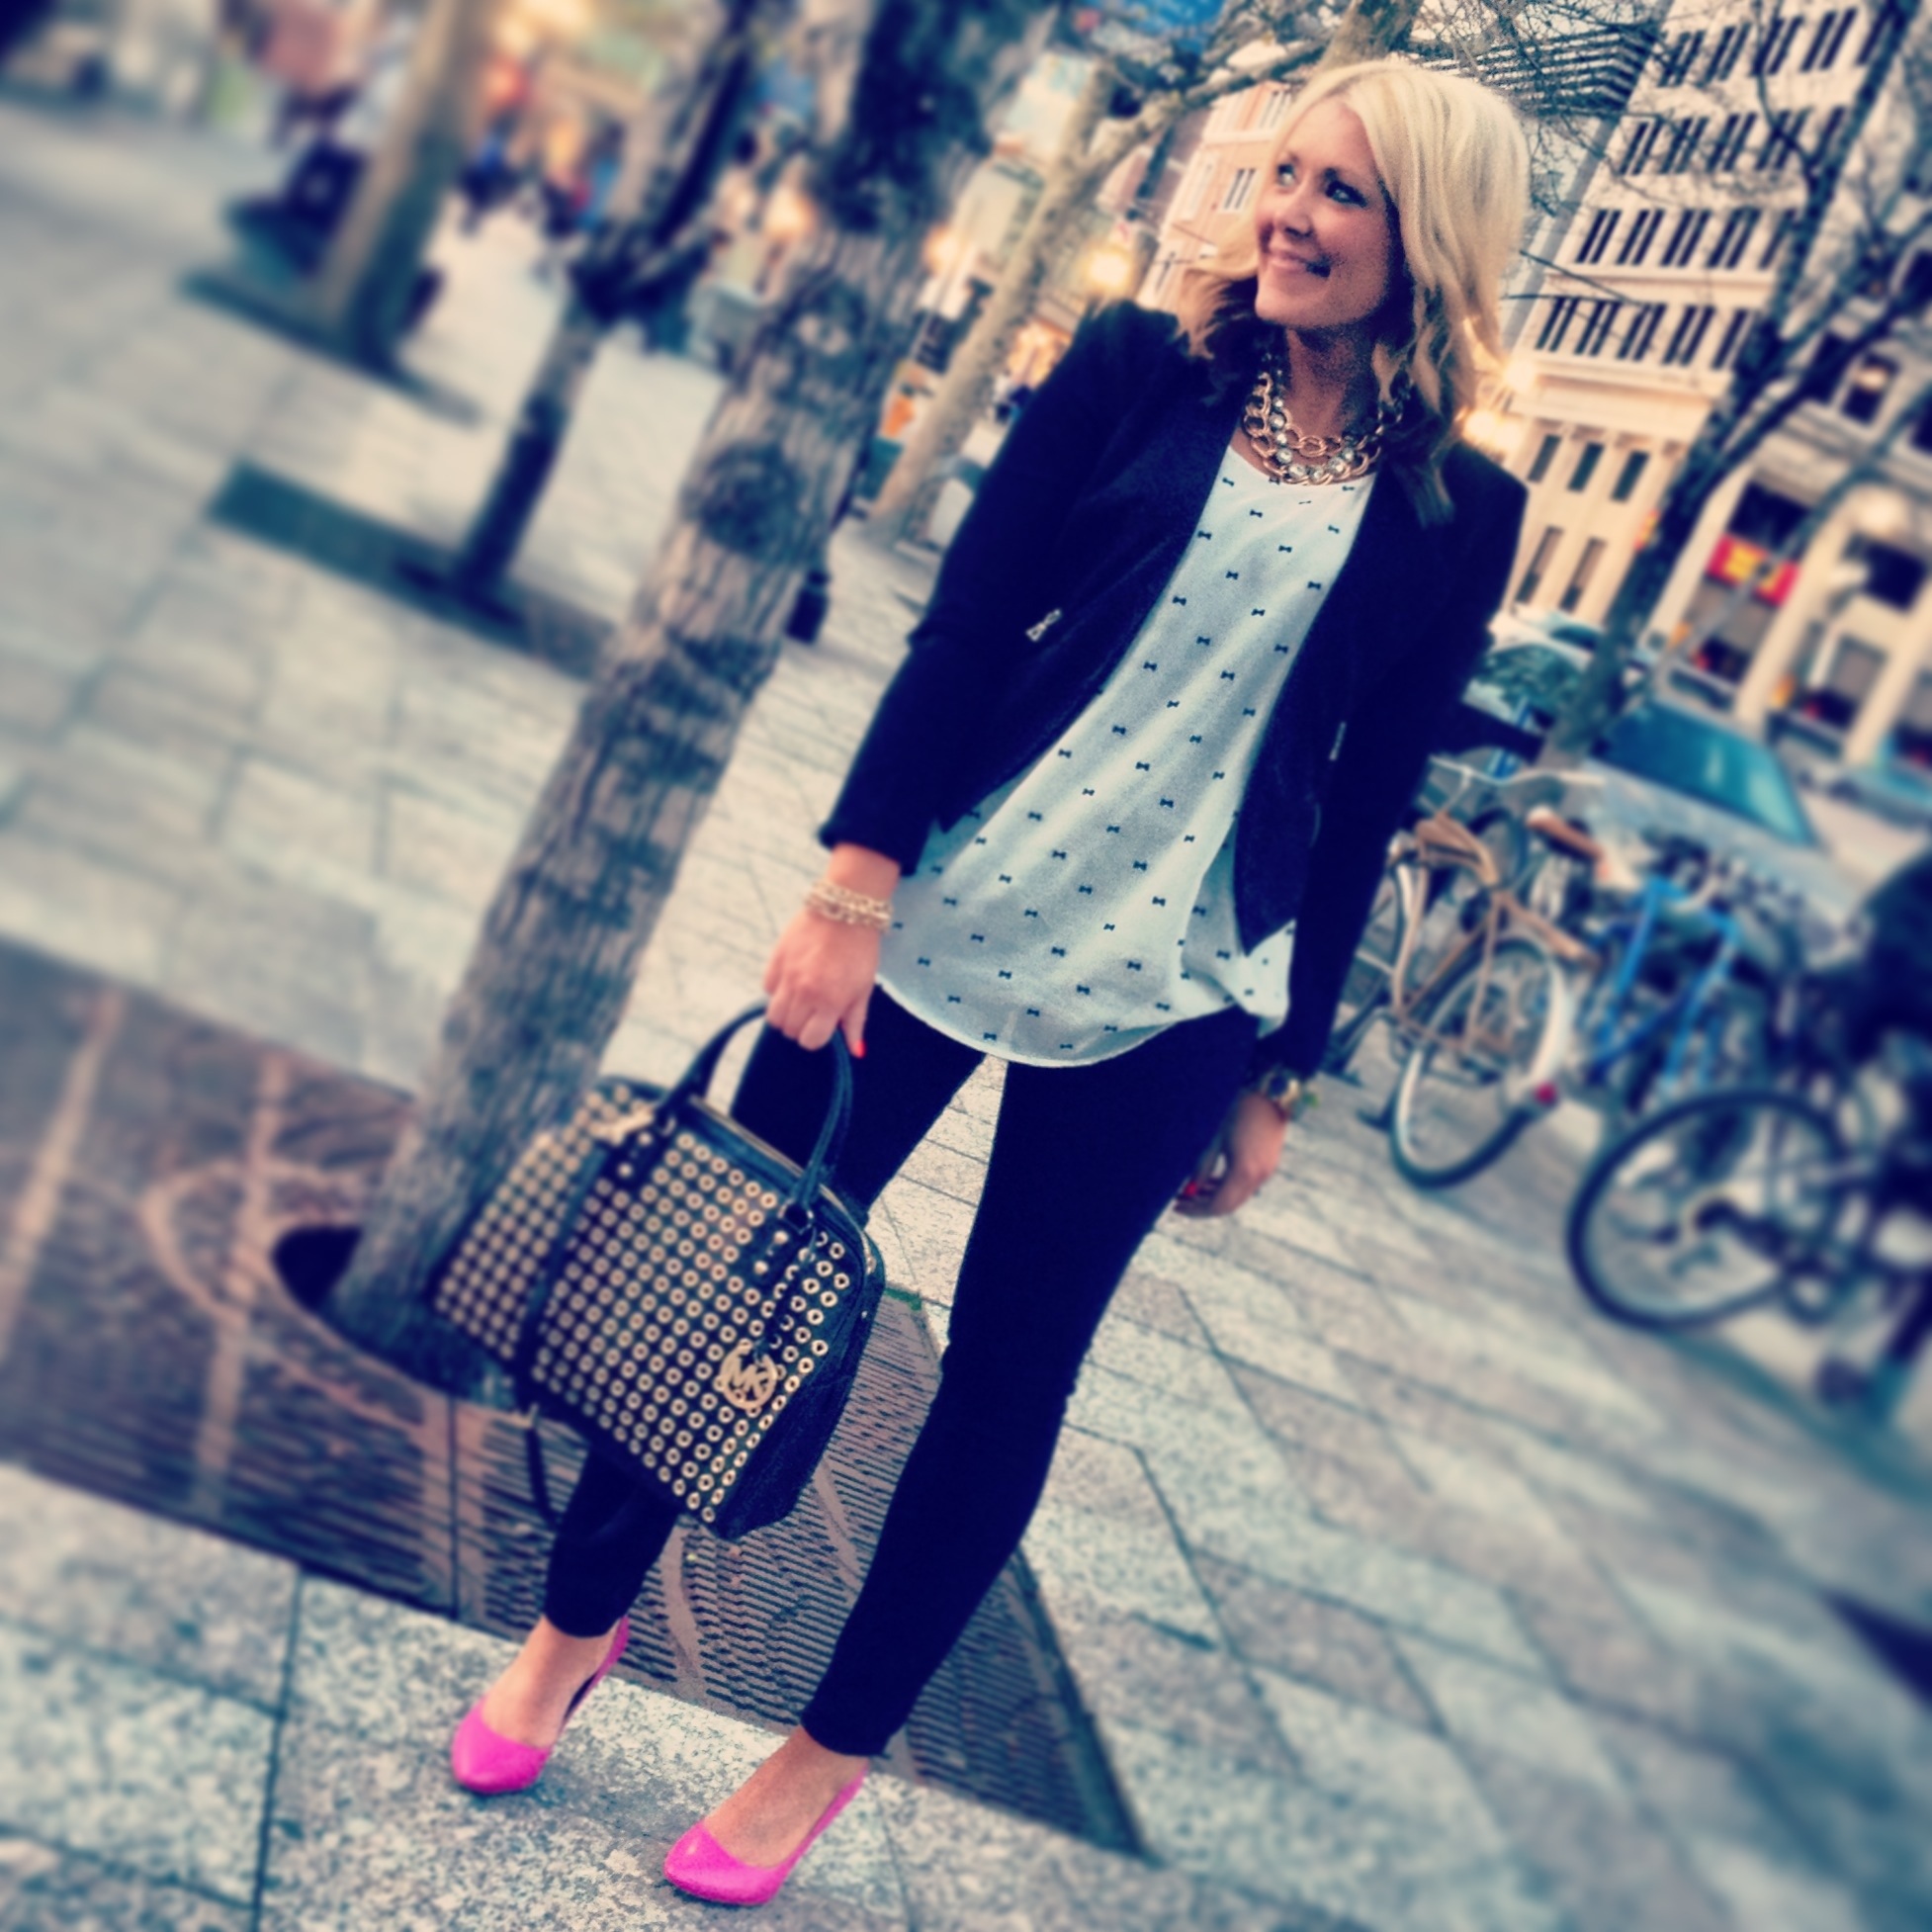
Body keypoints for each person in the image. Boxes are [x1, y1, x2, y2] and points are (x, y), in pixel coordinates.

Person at [444, 58, 1531, 1906]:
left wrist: (1281, 1067)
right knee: (733, 1262)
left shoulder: (1460, 507)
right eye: (1283, 173)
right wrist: (850, 879)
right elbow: (960, 625)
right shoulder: (1131, 370)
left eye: (1340, 191)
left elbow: (1364, 801)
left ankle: (823, 1753)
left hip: (1179, 984)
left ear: (1429, 235)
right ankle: (573, 1623)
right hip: (942, 907)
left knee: (1007, 1376)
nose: (1287, 212)